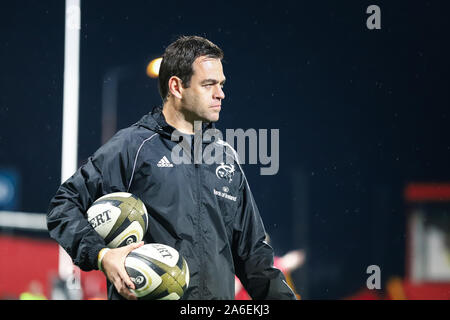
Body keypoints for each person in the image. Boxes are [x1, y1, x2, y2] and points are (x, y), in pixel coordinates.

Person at [47, 35, 296, 300]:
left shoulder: (225, 158)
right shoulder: (132, 147)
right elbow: (63, 207)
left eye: (221, 84)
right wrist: (102, 255)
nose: (220, 93)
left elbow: (254, 256)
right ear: (176, 87)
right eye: (209, 84)